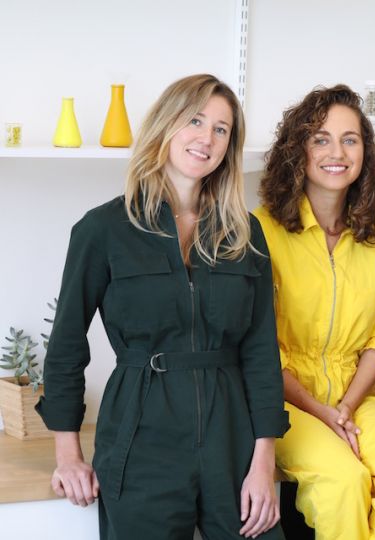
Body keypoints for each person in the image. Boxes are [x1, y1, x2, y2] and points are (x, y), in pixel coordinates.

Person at [35, 74, 289, 540]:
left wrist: (262, 462)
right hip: (140, 434)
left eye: (221, 129)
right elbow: (67, 343)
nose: (206, 138)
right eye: (195, 120)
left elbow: (260, 352)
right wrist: (67, 454)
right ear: (166, 125)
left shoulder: (244, 232)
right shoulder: (103, 229)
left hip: (231, 435)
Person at [253, 84, 375, 540]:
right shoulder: (262, 231)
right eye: (321, 139)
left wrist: (347, 405)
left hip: (355, 392)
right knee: (343, 480)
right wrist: (322, 410)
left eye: (350, 139)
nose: (337, 152)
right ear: (298, 151)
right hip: (284, 401)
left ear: (365, 153)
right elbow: (256, 346)